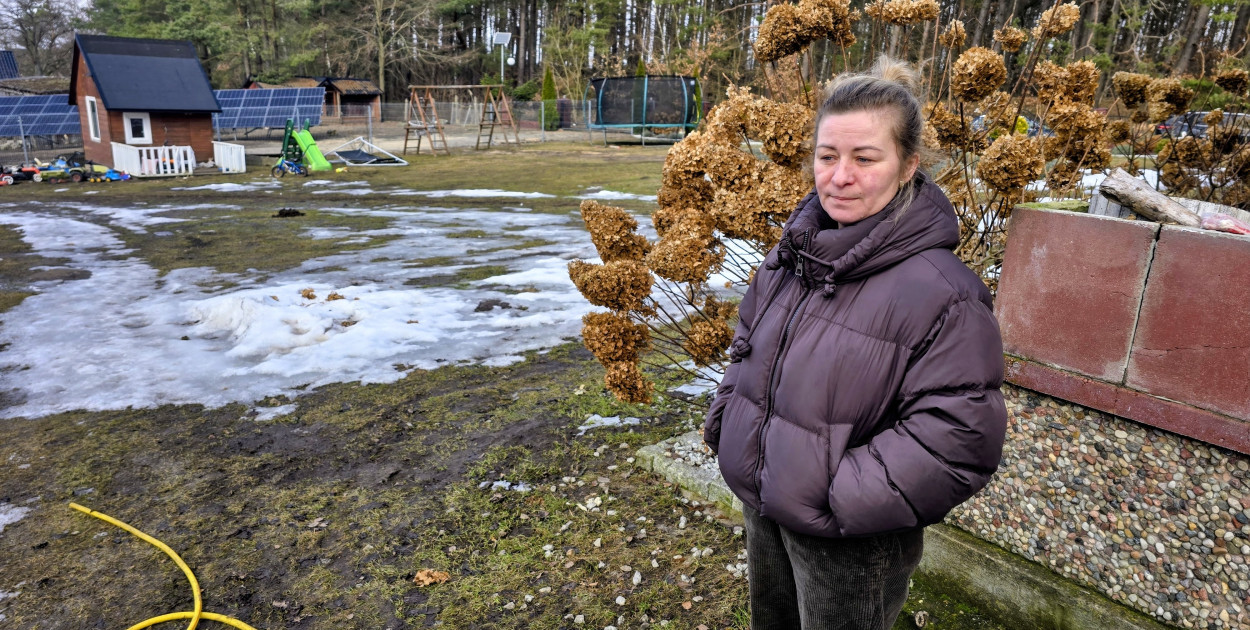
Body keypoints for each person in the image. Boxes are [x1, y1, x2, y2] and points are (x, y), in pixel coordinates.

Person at [703, 56, 1008, 629]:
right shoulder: (794, 254)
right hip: (766, 503)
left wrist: (834, 494)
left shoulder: (944, 293)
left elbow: (958, 436)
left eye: (865, 158)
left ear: (908, 165)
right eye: (827, 156)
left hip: (852, 537)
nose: (839, 176)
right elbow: (748, 345)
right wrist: (728, 424)